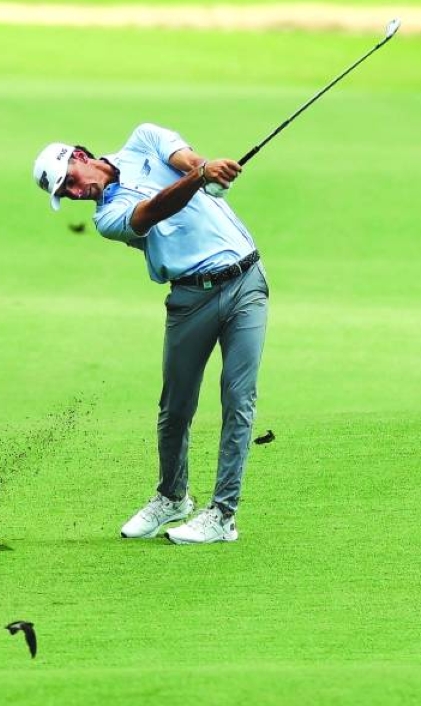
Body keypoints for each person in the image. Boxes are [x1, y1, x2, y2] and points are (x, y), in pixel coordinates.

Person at [32, 124, 268, 545]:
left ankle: (222, 514)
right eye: (63, 195)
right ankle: (173, 497)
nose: (72, 193)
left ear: (80, 156)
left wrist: (205, 169)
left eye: (68, 182)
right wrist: (200, 178)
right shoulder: (106, 218)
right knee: (175, 407)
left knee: (238, 397)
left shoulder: (143, 139)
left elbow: (186, 159)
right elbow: (155, 210)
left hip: (245, 281)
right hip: (189, 298)